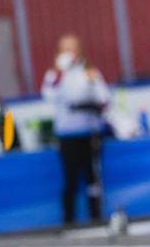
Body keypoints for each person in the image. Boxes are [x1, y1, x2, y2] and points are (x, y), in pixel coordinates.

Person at [41, 34, 110, 226]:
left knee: (93, 177)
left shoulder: (89, 71)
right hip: (67, 135)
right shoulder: (54, 75)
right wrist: (59, 72)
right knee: (70, 178)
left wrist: (93, 87)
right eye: (66, 49)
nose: (70, 53)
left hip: (89, 132)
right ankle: (68, 219)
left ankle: (96, 216)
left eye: (73, 48)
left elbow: (104, 98)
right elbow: (48, 95)